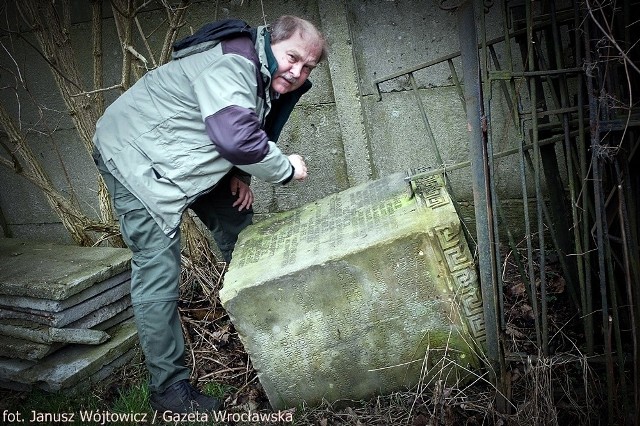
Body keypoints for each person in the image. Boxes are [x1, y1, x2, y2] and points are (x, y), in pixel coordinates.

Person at [92, 15, 328, 413]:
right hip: (135, 158)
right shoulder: (233, 62)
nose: (297, 71)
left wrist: (238, 173)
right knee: (158, 270)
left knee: (238, 222)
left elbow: (246, 123)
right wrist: (286, 169)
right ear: (270, 41)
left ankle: (274, 331)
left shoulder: (263, 71)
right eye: (292, 58)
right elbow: (236, 135)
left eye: (308, 67)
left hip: (185, 150)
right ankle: (169, 391)